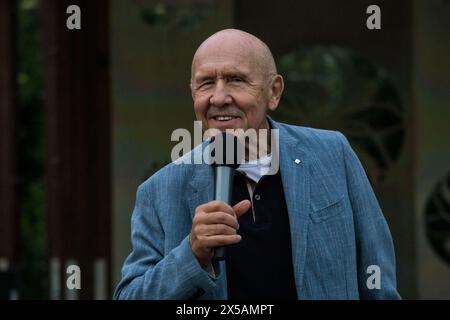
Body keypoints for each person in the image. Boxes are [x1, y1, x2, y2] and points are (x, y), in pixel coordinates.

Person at [114, 29, 401, 300]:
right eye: (205, 83)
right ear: (193, 95)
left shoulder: (331, 154)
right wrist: (192, 254)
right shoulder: (160, 190)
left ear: (273, 92)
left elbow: (377, 280)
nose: (219, 97)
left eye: (236, 80)